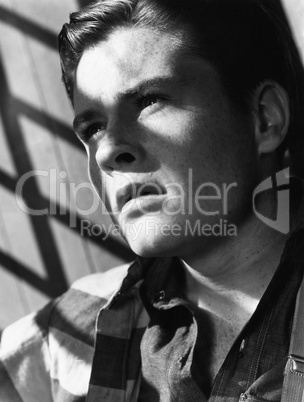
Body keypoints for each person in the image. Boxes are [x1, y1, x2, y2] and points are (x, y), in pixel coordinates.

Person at [1, 0, 304, 400]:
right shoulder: (76, 327)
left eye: (148, 100)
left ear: (265, 118)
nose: (108, 150)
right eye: (92, 127)